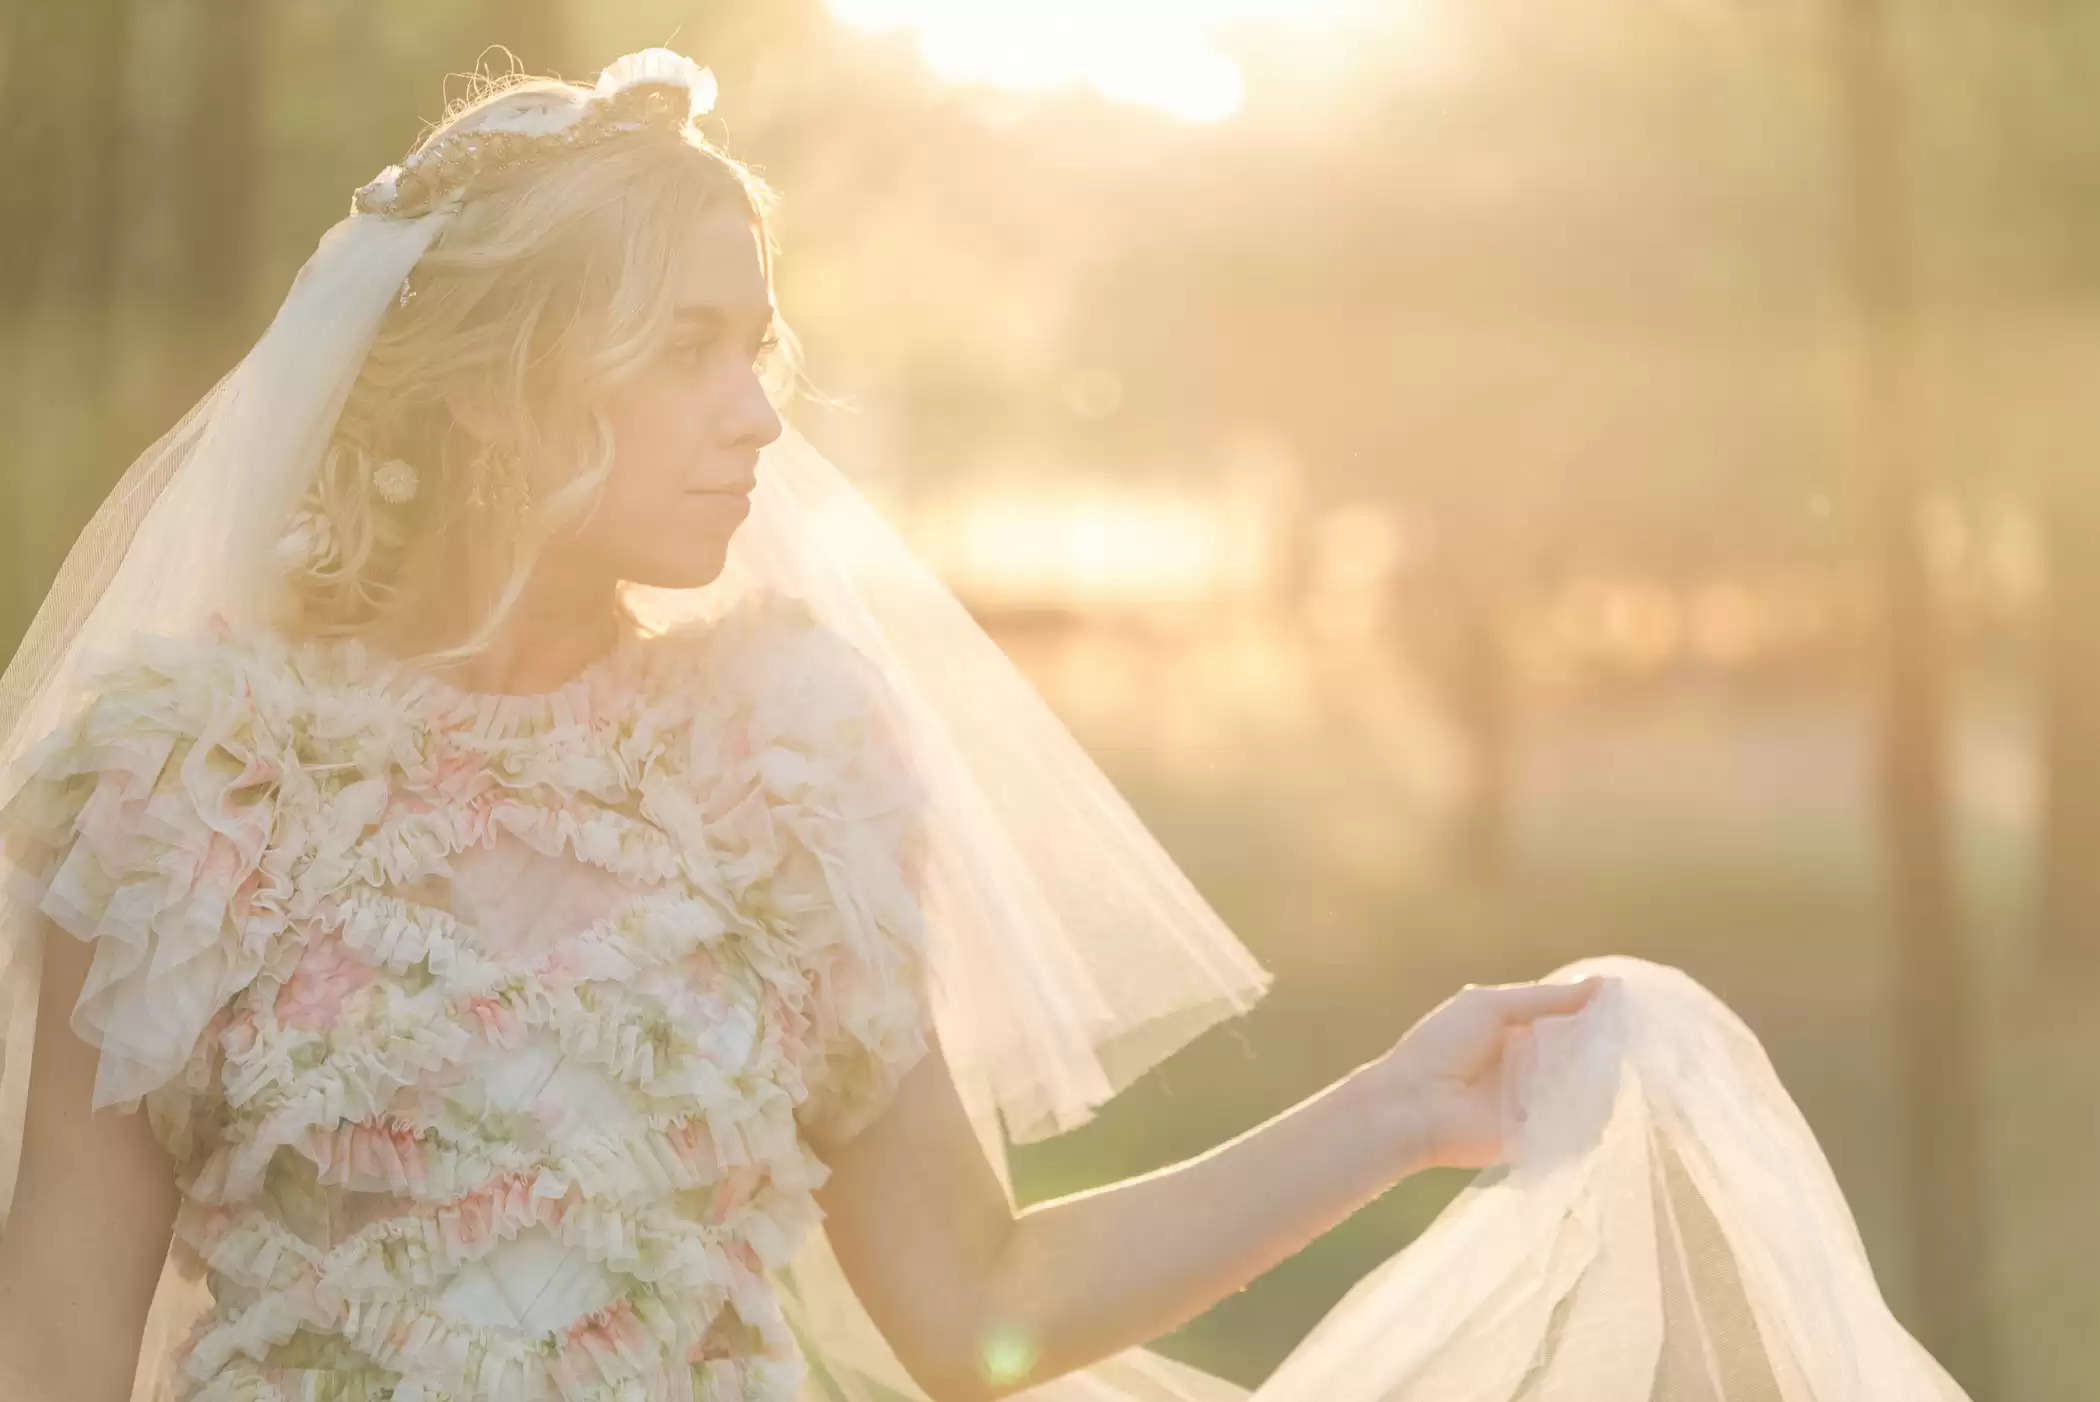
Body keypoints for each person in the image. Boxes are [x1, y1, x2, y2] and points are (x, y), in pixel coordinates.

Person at [0, 48, 1971, 1402]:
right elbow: (53, 1352)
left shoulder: (780, 769)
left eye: (758, 344)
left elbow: (976, 1302)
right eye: (691, 344)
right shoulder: (193, 791)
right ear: (500, 383)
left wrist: (1398, 1100)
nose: (760, 410)